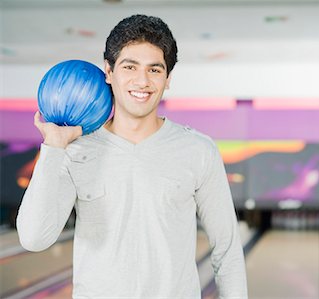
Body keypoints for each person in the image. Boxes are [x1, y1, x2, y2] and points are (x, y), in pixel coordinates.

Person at [16, 15, 248, 298]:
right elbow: (34, 238)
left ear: (168, 79)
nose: (142, 81)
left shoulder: (198, 150)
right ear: (109, 72)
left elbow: (227, 251)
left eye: (154, 69)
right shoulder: (76, 150)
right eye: (130, 67)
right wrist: (53, 147)